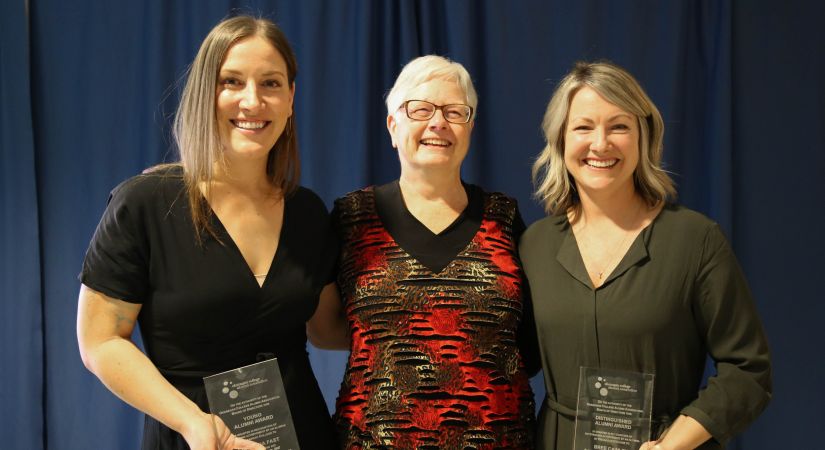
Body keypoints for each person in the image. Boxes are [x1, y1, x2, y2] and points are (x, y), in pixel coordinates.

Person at [76, 16, 342, 449]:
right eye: (231, 82)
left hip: (303, 435)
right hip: (193, 439)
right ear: (204, 94)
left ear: (291, 98)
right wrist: (195, 423)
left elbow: (329, 328)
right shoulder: (143, 204)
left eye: (271, 84)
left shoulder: (308, 212)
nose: (252, 101)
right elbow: (101, 341)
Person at [520, 61, 772, 450]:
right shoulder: (534, 245)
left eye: (619, 126)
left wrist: (673, 445)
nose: (600, 143)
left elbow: (748, 370)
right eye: (583, 127)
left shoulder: (696, 240)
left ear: (643, 137)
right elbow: (512, 357)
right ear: (560, 140)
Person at [321, 55, 538, 449]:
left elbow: (529, 337)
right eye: (420, 109)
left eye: (455, 111)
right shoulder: (352, 217)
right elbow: (324, 329)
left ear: (470, 128)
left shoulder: (504, 217)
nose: (438, 122)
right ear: (392, 125)